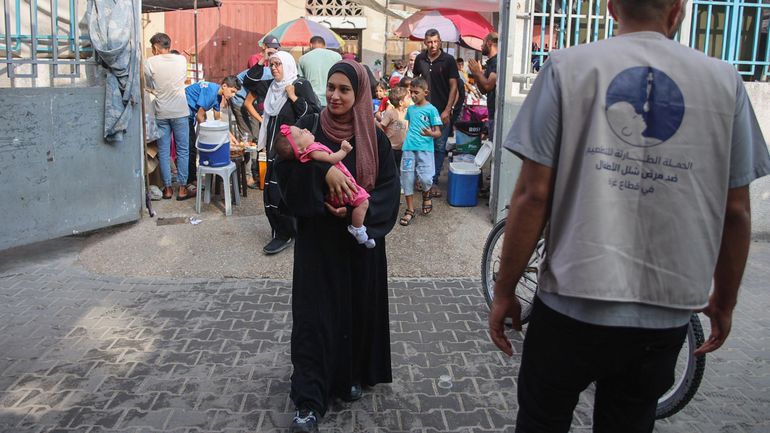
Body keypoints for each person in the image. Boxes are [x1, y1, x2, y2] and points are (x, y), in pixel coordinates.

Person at [488, 1, 770, 432]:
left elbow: (531, 195)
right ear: (677, 9)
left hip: (570, 305)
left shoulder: (567, 67)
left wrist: (506, 289)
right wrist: (724, 302)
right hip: (662, 315)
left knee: (541, 422)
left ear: (611, 7)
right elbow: (736, 211)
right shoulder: (724, 81)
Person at [274, 59, 400, 433]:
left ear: (359, 93)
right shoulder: (309, 126)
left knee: (353, 314)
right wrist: (321, 171)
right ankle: (309, 401)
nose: (335, 95)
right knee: (315, 319)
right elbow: (284, 172)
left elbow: (389, 194)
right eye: (331, 87)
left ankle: (347, 376)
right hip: (318, 245)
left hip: (358, 247)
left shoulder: (373, 138)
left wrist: (353, 215)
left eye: (345, 89)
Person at [259, 51, 321, 255]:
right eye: (272, 64)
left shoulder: (299, 85)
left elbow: (313, 113)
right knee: (269, 189)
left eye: (278, 64)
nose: (274, 68)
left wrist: (293, 97)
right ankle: (279, 230)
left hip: (291, 151)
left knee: (282, 191)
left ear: (288, 65)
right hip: (273, 147)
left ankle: (286, 232)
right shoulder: (272, 89)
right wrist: (260, 62)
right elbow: (250, 83)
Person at [276, 124, 375, 248]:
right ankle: (359, 230)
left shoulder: (371, 130)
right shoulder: (312, 132)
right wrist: (326, 170)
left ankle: (361, 231)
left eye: (302, 129)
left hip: (344, 205)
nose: (306, 128)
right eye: (302, 132)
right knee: (362, 201)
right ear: (299, 149)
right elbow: (284, 168)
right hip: (318, 234)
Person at [412, 29, 459, 198]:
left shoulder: (448, 61)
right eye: (429, 42)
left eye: (435, 41)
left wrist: (448, 109)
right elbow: (415, 82)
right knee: (421, 145)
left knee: (439, 147)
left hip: (441, 111)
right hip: (422, 111)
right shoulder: (420, 59)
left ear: (440, 42)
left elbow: (454, 86)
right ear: (425, 42)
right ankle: (421, 178)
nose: (432, 45)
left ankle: (433, 181)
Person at [144, 32, 190, 200]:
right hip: (180, 111)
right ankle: (183, 188)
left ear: (156, 47)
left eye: (152, 48)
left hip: (162, 112)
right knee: (183, 150)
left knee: (164, 152)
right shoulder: (181, 60)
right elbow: (183, 79)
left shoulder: (150, 62)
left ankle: (168, 188)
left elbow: (149, 85)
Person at [184, 76, 240, 200]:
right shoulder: (211, 91)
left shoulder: (219, 96)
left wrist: (229, 135)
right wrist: (209, 132)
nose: (233, 95)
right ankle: (189, 181)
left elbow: (218, 119)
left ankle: (192, 179)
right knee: (190, 148)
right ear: (224, 86)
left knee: (192, 148)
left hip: (190, 114)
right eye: (232, 91)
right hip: (184, 112)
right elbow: (200, 116)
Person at [398, 77, 443, 226]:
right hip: (409, 149)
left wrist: (430, 134)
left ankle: (426, 194)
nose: (413, 95)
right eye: (411, 92)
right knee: (407, 178)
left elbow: (438, 133)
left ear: (426, 92)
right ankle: (410, 210)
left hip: (425, 150)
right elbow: (410, 127)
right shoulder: (410, 109)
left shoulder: (432, 110)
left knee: (426, 179)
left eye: (416, 92)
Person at [468, 32, 498, 140]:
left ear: (489, 43)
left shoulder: (497, 61)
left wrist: (478, 73)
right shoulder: (490, 62)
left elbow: (489, 85)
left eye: (483, 43)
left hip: (497, 113)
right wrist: (477, 74)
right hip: (491, 112)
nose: (481, 46)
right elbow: (484, 90)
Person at [299, 36, 342, 107]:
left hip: (312, 100)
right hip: (333, 98)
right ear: (325, 46)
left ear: (310, 45)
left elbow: (301, 81)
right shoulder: (337, 56)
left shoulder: (302, 59)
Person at [377, 86, 409, 169]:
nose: (410, 99)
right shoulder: (391, 113)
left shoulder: (407, 112)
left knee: (401, 169)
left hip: (403, 148)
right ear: (401, 102)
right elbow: (382, 125)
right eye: (407, 98)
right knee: (391, 168)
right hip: (391, 148)